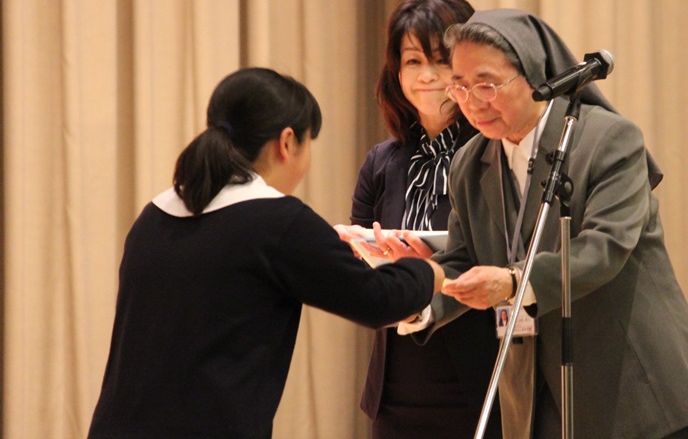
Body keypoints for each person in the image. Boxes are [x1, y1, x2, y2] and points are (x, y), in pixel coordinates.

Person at [382, 9, 688, 438]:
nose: (471, 102)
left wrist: (512, 282)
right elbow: (464, 260)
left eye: (487, 84)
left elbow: (605, 248)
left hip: (634, 387)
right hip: (538, 399)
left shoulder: (608, 140)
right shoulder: (469, 162)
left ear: (535, 77)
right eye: (460, 86)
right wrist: (414, 294)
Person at [88, 67, 444, 439]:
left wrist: (326, 247)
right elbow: (379, 300)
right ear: (286, 142)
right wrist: (429, 269)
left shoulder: (154, 216)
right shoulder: (278, 222)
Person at [333, 0, 502, 438]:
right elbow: (356, 279)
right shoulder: (381, 162)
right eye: (412, 61)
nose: (426, 76)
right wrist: (367, 256)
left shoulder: (497, 154)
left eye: (441, 61)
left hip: (482, 381)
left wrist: (435, 267)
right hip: (397, 389)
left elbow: (513, 260)